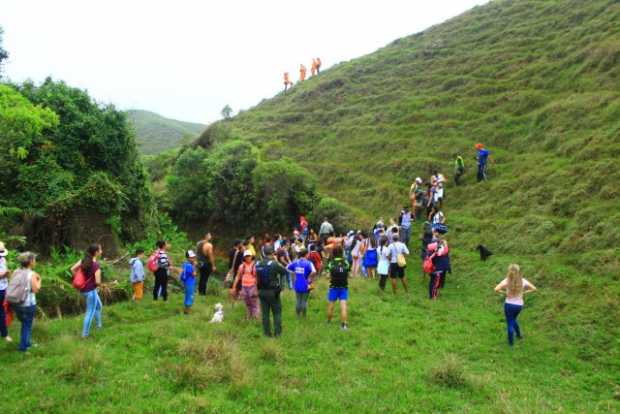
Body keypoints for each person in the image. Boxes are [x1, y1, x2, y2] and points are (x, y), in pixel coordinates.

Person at [494, 264, 537, 346]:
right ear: (518, 271)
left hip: (509, 305)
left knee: (510, 323)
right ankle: (519, 335)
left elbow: (496, 289)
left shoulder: (506, 280)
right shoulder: (523, 280)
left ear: (509, 271)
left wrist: (504, 293)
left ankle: (511, 344)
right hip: (519, 305)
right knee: (513, 319)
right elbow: (534, 289)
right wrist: (524, 292)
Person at [9, 252, 40, 352]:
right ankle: (23, 347)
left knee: (24, 323)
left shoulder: (16, 271)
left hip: (16, 303)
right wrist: (39, 281)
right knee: (27, 324)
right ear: (30, 262)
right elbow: (36, 289)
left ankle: (27, 343)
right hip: (28, 304)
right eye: (34, 260)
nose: (35, 261)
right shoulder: (32, 274)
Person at [71, 244, 103, 338]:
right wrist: (102, 285)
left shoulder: (83, 260)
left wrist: (80, 279)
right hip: (91, 292)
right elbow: (97, 282)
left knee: (98, 306)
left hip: (84, 289)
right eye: (100, 250)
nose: (101, 251)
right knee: (90, 312)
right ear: (96, 252)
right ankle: (85, 335)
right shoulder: (96, 265)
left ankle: (99, 325)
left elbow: (72, 269)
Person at [256, 246, 288, 337]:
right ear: (272, 253)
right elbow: (284, 272)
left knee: (265, 314)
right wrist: (281, 287)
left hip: (261, 291)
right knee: (277, 313)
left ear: (264, 253)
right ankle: (277, 333)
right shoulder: (274, 264)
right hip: (273, 292)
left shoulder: (258, 264)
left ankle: (267, 334)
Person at [287, 249, 316, 318]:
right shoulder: (309, 263)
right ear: (306, 254)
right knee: (304, 301)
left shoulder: (295, 262)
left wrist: (294, 273)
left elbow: (287, 267)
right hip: (306, 284)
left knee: (298, 300)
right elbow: (314, 271)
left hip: (297, 284)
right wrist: (309, 278)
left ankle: (297, 316)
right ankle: (304, 316)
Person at [326, 246, 350, 330]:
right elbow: (348, 273)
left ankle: (328, 321)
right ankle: (344, 325)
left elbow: (327, 276)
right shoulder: (345, 262)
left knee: (331, 305)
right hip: (344, 287)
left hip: (333, 287)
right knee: (343, 306)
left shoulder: (331, 263)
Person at [231, 251, 260, 320]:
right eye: (246, 256)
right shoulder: (242, 266)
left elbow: (258, 277)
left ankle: (256, 318)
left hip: (252, 286)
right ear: (244, 257)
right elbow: (238, 276)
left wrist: (257, 287)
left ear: (252, 257)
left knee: (254, 303)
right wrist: (234, 287)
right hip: (244, 287)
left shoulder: (255, 266)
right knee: (247, 302)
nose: (248, 258)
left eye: (249, 256)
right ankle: (249, 317)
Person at [0, 242, 12, 342]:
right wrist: (4, 274)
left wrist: (7, 274)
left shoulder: (3, 259)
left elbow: (6, 271)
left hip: (3, 288)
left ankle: (4, 333)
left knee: (2, 311)